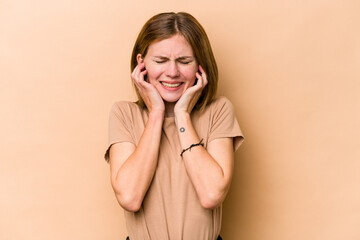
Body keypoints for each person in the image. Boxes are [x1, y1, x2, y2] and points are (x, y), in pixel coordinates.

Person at [104, 12, 244, 240]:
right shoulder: (124, 114)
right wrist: (156, 113)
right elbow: (129, 198)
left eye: (184, 61)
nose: (172, 72)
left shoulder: (218, 111)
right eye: (160, 61)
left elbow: (211, 195)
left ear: (200, 64)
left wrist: (182, 115)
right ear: (141, 64)